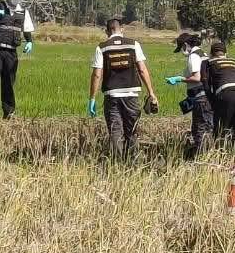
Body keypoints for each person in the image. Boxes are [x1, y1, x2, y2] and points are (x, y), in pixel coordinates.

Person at [88, 18, 161, 158]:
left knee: (115, 132)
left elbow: (97, 75)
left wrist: (92, 98)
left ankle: (117, 164)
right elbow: (142, 69)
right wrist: (151, 92)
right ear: (121, 29)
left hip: (112, 96)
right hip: (132, 96)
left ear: (106, 31)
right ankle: (133, 163)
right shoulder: (134, 45)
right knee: (132, 132)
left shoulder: (102, 47)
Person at [165, 31, 213, 158]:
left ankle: (202, 157)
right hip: (206, 96)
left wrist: (179, 79)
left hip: (201, 97)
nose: (182, 51)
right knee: (207, 127)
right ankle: (208, 155)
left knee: (200, 129)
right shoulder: (203, 54)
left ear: (186, 45)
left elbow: (197, 78)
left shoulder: (194, 56)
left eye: (181, 48)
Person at [202, 40, 235, 147]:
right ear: (225, 53)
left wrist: (212, 102)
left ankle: (219, 153)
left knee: (221, 129)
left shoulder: (207, 63)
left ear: (211, 53)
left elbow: (205, 84)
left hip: (226, 93)